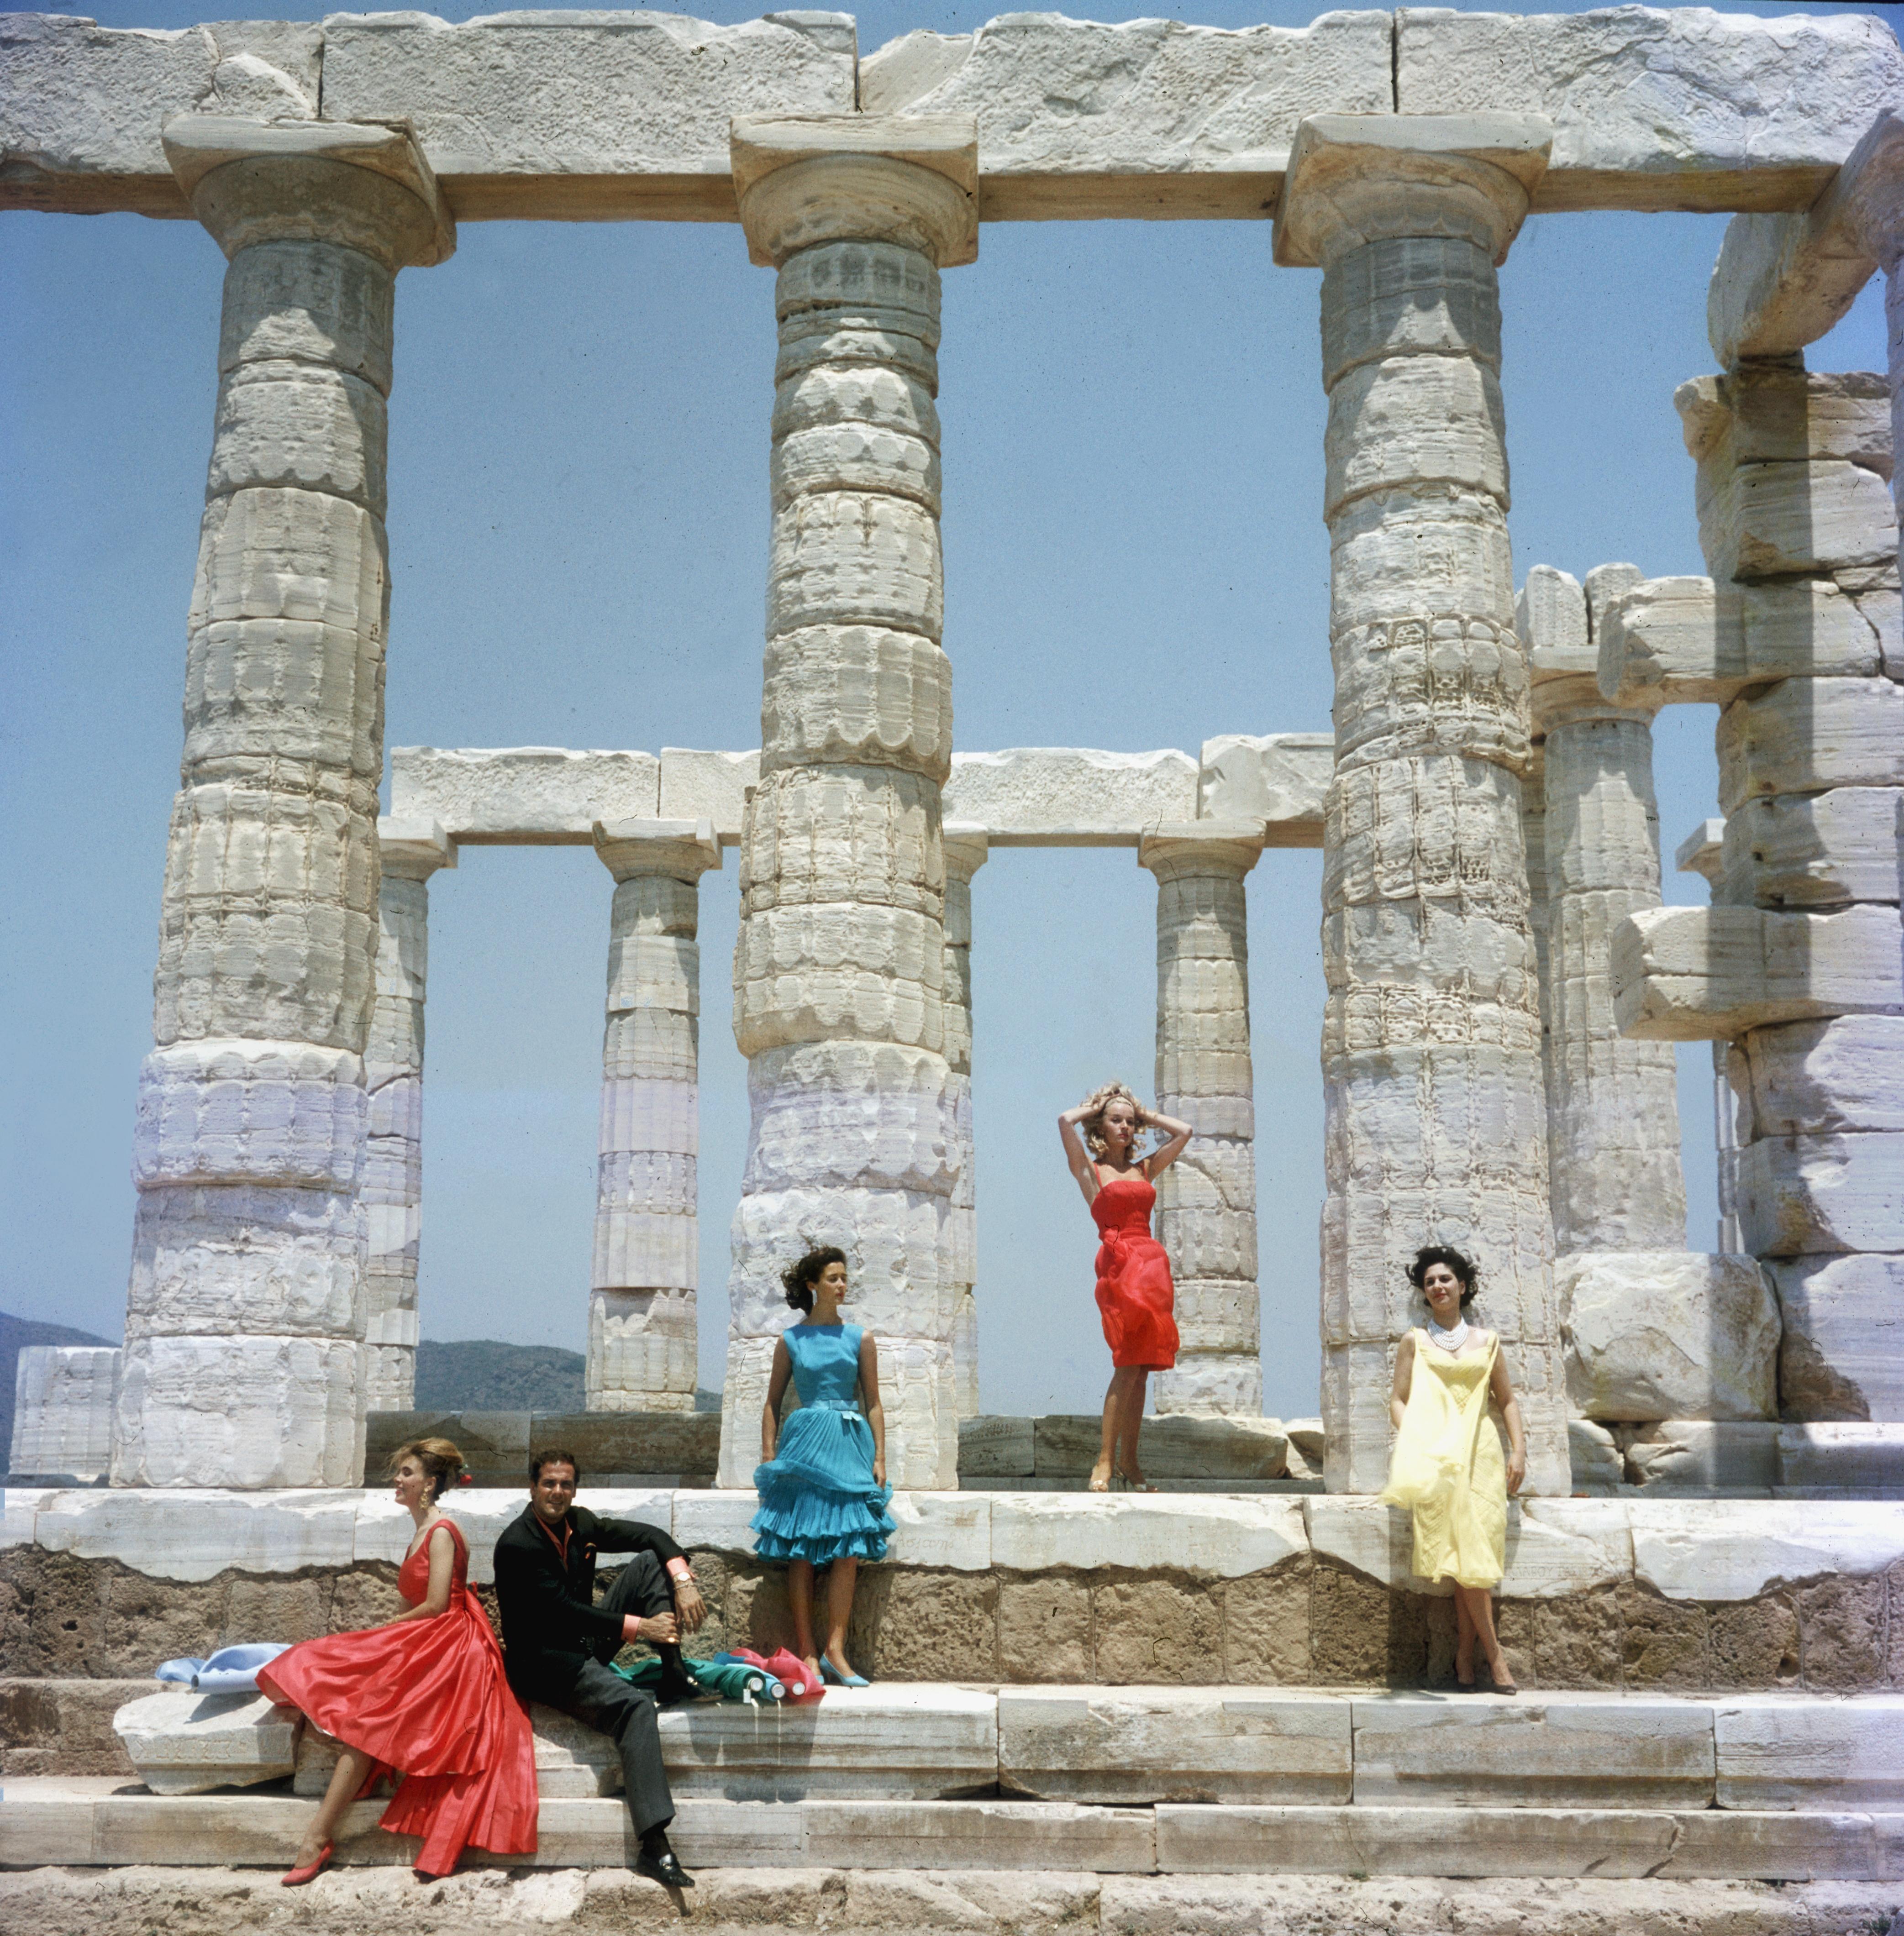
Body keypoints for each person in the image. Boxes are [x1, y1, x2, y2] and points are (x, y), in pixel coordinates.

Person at [258, 1438, 537, 1885]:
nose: (398, 1479)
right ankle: (319, 1834)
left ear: (429, 1483)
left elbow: (435, 1604)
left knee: (366, 1713)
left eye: (406, 1472)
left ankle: (317, 1837)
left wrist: (387, 1626)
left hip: (450, 1646)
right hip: (429, 1637)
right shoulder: (424, 1528)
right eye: (400, 1472)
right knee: (325, 1662)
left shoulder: (443, 1530)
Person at [491, 1450, 704, 1890]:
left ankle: (674, 1671)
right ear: (532, 1488)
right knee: (635, 1708)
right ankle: (654, 1844)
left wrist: (681, 1581)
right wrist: (639, 1626)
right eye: (549, 1483)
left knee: (650, 1562)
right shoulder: (518, 1544)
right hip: (547, 1663)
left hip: (582, 1644)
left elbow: (650, 1534)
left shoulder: (581, 1523)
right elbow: (562, 1612)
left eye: (566, 1484)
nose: (557, 1492)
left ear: (575, 1489)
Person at [1380, 1245, 1530, 1695]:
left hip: (1481, 1452)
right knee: (1462, 1554)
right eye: (1430, 1282)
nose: (1438, 1286)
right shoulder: (1416, 1340)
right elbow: (1397, 1399)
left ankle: (1465, 1652)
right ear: (1424, 1293)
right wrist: (1420, 1437)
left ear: (1462, 1286)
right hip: (1437, 1454)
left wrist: (1518, 1450)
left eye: (1445, 1279)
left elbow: (1506, 1399)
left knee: (1474, 1553)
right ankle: (1495, 1656)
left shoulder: (1488, 1340)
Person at [752, 1245, 894, 1687]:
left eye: (844, 1277)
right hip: (804, 1444)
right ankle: (808, 1650)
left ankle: (836, 1649)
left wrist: (880, 1455)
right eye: (833, 1277)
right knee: (801, 1548)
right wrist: (769, 1453)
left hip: (849, 1442)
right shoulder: (790, 1340)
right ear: (813, 1284)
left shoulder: (860, 1337)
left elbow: (873, 1402)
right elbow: (772, 1402)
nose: (842, 1284)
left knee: (848, 1546)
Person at [1057, 1081, 1194, 1494]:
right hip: (1120, 1267)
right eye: (1116, 1121)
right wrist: (1097, 1105)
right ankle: (1105, 1459)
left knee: (1143, 1368)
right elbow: (1064, 1121)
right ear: (1101, 1125)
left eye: (1130, 1123)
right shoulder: (1090, 1170)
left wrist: (1144, 1112)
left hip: (1152, 1266)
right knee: (1126, 1362)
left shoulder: (1145, 1168)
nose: (1125, 1127)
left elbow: (1184, 1132)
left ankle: (1131, 1462)